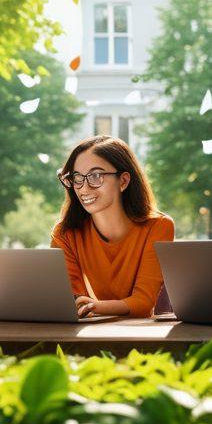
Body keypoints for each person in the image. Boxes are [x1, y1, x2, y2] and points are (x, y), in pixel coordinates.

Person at [51, 135, 174, 319]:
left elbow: (143, 302)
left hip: (140, 331)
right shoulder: (65, 233)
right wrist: (87, 306)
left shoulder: (159, 226)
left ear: (123, 181)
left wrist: (95, 306)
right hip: (89, 330)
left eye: (95, 176)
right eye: (77, 178)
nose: (83, 189)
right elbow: (73, 301)